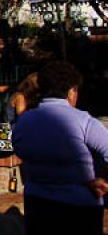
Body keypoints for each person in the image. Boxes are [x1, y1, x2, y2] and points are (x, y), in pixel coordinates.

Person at [12, 61, 108, 235]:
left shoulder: (24, 122)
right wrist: (100, 181)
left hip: (38, 206)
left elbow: (20, 150)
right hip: (80, 208)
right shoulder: (84, 121)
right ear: (72, 90)